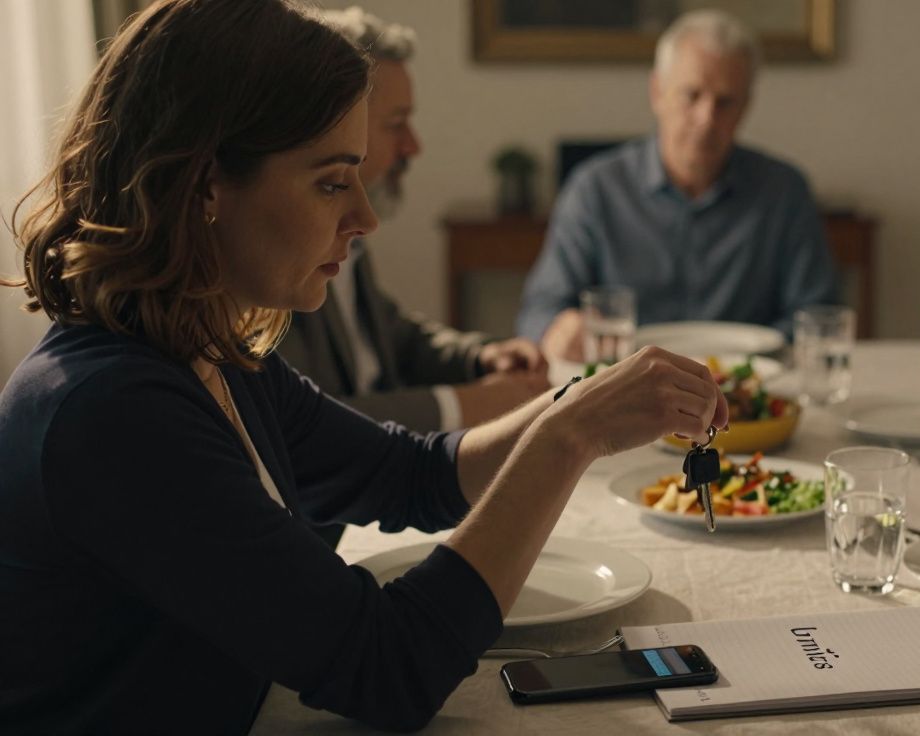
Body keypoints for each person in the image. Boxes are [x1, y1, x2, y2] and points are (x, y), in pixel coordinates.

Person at [0, 1, 726, 733]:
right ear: (205, 186)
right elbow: (391, 669)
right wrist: (571, 437)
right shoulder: (113, 414)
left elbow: (416, 476)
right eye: (330, 181)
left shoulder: (203, 352)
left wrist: (588, 399)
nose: (365, 217)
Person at [277, 7, 549, 434]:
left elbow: (393, 334)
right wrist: (463, 404)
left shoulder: (351, 229)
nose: (414, 146)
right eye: (397, 124)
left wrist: (480, 357)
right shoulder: (278, 253)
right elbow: (307, 427)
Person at [515, 9, 840, 361]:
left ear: (747, 105)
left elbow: (817, 313)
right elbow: (539, 311)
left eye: (725, 101)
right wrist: (559, 328)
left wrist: (755, 357)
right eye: (692, 95)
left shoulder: (784, 192)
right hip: (625, 391)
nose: (706, 118)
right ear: (658, 92)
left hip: (744, 395)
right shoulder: (595, 190)